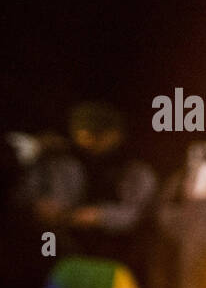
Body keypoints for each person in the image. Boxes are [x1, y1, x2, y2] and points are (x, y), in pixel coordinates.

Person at [26, 102, 158, 275]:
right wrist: (38, 206)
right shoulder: (60, 161)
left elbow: (139, 215)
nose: (88, 141)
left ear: (115, 135)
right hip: (62, 253)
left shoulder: (135, 167)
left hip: (114, 261)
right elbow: (27, 193)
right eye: (82, 134)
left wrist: (100, 216)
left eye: (96, 135)